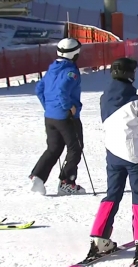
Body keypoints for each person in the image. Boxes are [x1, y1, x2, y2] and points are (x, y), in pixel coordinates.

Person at [87, 58, 138, 263]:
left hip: (113, 153)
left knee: (112, 194)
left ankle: (100, 238)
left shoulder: (104, 97)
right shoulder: (136, 100)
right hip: (135, 155)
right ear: (130, 75)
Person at [30, 37, 85, 196]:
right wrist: (68, 107)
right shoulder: (71, 71)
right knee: (75, 148)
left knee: (54, 148)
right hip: (66, 118)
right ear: (74, 54)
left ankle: (38, 178)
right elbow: (62, 90)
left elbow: (39, 88)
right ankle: (67, 182)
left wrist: (49, 106)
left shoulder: (53, 68)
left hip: (50, 117)